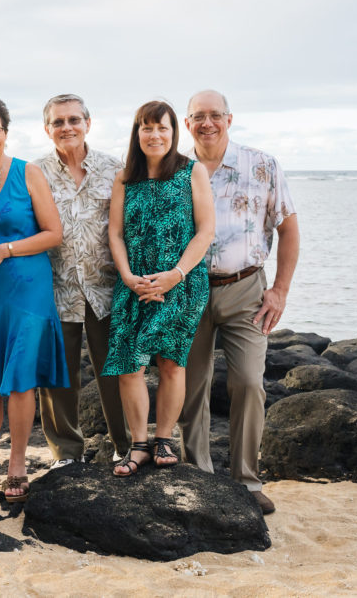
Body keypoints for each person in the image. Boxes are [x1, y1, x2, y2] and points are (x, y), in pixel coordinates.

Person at [178, 90, 299, 515]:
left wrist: (280, 290)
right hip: (188, 290)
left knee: (248, 381)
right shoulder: (175, 170)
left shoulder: (261, 164)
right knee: (191, 387)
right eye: (198, 116)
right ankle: (198, 474)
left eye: (215, 115)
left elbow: (288, 228)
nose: (206, 123)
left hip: (247, 288)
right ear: (187, 121)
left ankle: (247, 480)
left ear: (230, 119)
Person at [0, 95, 68, 505]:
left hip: (28, 287)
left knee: (21, 380)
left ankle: (18, 466)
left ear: (6, 132)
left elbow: (53, 234)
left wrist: (3, 250)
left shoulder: (28, 173)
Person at [102, 101, 214, 477]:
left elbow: (205, 231)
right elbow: (115, 232)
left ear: (173, 132)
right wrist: (129, 275)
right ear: (137, 134)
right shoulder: (124, 178)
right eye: (146, 128)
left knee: (170, 362)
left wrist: (175, 274)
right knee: (128, 364)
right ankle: (138, 444)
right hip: (132, 283)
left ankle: (164, 438)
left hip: (180, 283)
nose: (154, 135)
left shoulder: (191, 171)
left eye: (162, 128)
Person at [34, 94, 131, 466]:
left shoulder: (115, 169)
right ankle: (67, 454)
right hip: (56, 287)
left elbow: (129, 227)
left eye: (74, 120)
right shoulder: (35, 172)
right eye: (58, 122)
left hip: (107, 287)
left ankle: (124, 447)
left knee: (116, 371)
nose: (66, 128)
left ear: (88, 124)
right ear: (47, 130)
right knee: (59, 376)